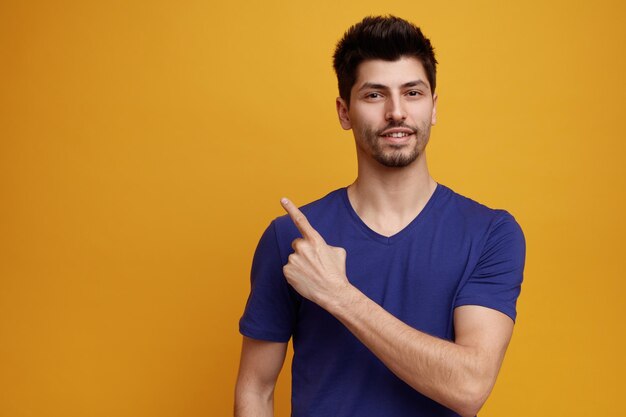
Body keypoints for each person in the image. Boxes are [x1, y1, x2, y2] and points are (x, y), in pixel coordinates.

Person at [234, 15, 525, 417]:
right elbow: (255, 390)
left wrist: (340, 295)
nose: (396, 112)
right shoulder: (292, 239)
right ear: (344, 111)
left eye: (413, 93)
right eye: (374, 95)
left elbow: (469, 386)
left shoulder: (491, 233)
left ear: (434, 107)